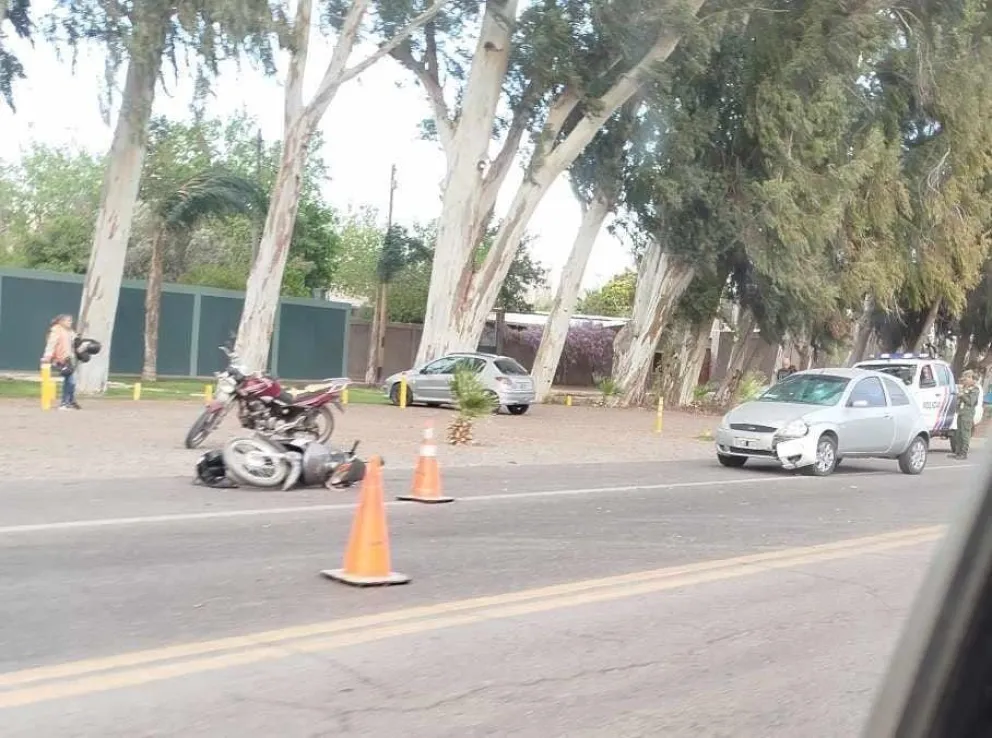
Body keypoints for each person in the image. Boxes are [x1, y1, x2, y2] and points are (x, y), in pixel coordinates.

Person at [41, 314, 80, 410]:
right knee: (70, 381)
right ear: (61, 321)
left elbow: (76, 343)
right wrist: (47, 357)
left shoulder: (70, 331)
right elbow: (51, 344)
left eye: (71, 320)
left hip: (69, 359)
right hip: (60, 359)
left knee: (70, 381)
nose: (70, 322)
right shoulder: (56, 330)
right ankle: (64, 403)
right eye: (68, 320)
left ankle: (70, 401)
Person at [949, 370, 980, 460]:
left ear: (971, 378)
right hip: (961, 413)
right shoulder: (965, 388)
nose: (964, 381)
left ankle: (963, 453)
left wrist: (962, 395)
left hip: (967, 414)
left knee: (965, 434)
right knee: (958, 434)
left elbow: (971, 402)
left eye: (966, 379)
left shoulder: (975, 389)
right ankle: (958, 452)